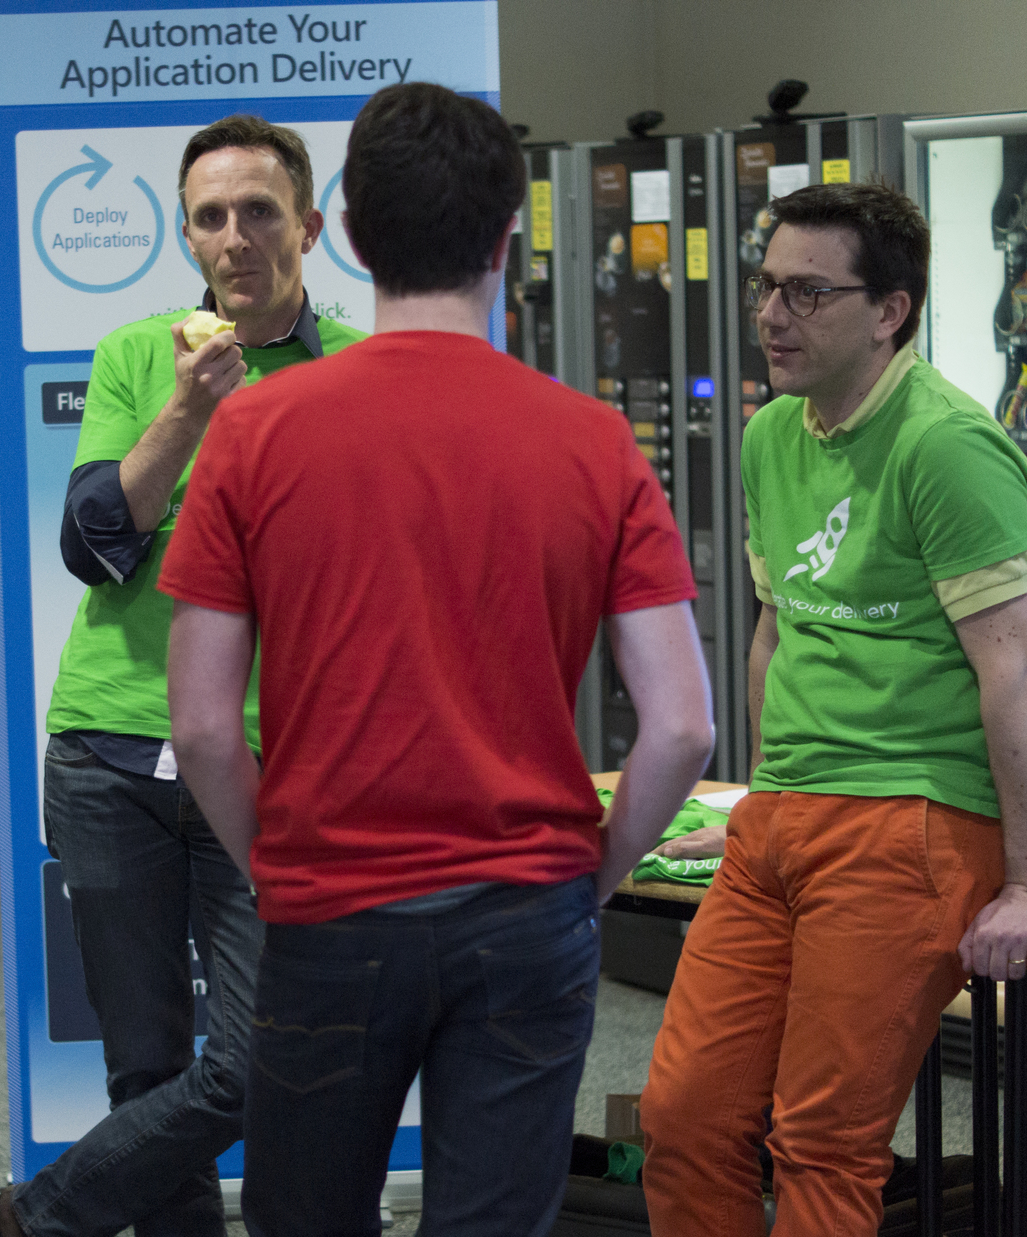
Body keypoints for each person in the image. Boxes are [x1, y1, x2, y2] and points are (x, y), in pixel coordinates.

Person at [159, 82, 716, 1236]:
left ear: (348, 233)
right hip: (527, 907)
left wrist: (273, 867)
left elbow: (204, 726)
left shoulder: (252, 430)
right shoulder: (594, 440)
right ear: (507, 238)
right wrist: (590, 875)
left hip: (329, 903)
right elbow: (680, 728)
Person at [639, 181, 1027, 1236]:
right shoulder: (769, 435)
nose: (771, 315)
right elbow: (776, 632)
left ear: (889, 311)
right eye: (766, 286)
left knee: (822, 1144)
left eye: (808, 292)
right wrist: (758, 794)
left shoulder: (946, 446)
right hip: (781, 818)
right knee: (682, 1117)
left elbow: (1015, 672)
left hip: (906, 819)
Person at [0, 116, 366, 1237]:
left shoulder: (355, 370)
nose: (235, 237)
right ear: (188, 236)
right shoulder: (136, 355)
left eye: (259, 212)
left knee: (256, 1059)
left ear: (309, 225)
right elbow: (93, 539)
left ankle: (47, 1212)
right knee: (144, 1068)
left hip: (266, 764)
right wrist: (191, 402)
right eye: (210, 217)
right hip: (110, 749)